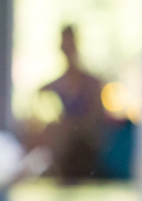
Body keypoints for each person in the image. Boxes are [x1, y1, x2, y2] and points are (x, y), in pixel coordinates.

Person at [37, 25, 105, 181]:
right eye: (64, 45)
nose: (67, 50)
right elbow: (39, 95)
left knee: (59, 131)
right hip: (64, 141)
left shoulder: (92, 84)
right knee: (51, 131)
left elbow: (94, 123)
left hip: (85, 141)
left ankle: (50, 168)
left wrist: (68, 125)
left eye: (70, 45)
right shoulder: (57, 84)